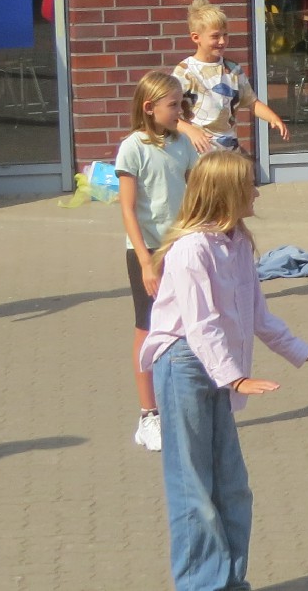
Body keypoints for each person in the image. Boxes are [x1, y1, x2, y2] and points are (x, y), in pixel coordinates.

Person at [141, 150, 308, 589]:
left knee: (233, 488)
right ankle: (202, 584)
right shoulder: (191, 250)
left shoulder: (237, 243)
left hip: (217, 366)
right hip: (183, 365)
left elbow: (257, 314)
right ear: (226, 192)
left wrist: (302, 351)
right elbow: (200, 325)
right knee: (193, 489)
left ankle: (231, 581)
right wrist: (235, 377)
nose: (256, 192)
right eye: (249, 184)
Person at [117, 70, 202, 453]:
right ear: (149, 107)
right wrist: (146, 262)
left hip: (182, 248)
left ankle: (184, 404)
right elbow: (128, 210)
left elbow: (195, 193)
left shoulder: (183, 144)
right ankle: (148, 415)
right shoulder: (132, 148)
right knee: (148, 329)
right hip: (148, 252)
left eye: (181, 103)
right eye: (173, 105)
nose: (179, 111)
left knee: (189, 326)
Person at [173, 0, 288, 153]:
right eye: (215, 36)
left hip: (229, 149)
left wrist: (273, 118)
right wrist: (189, 130)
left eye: (225, 35)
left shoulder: (233, 69)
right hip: (198, 151)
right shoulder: (185, 71)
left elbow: (252, 102)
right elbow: (166, 113)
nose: (222, 41)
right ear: (196, 37)